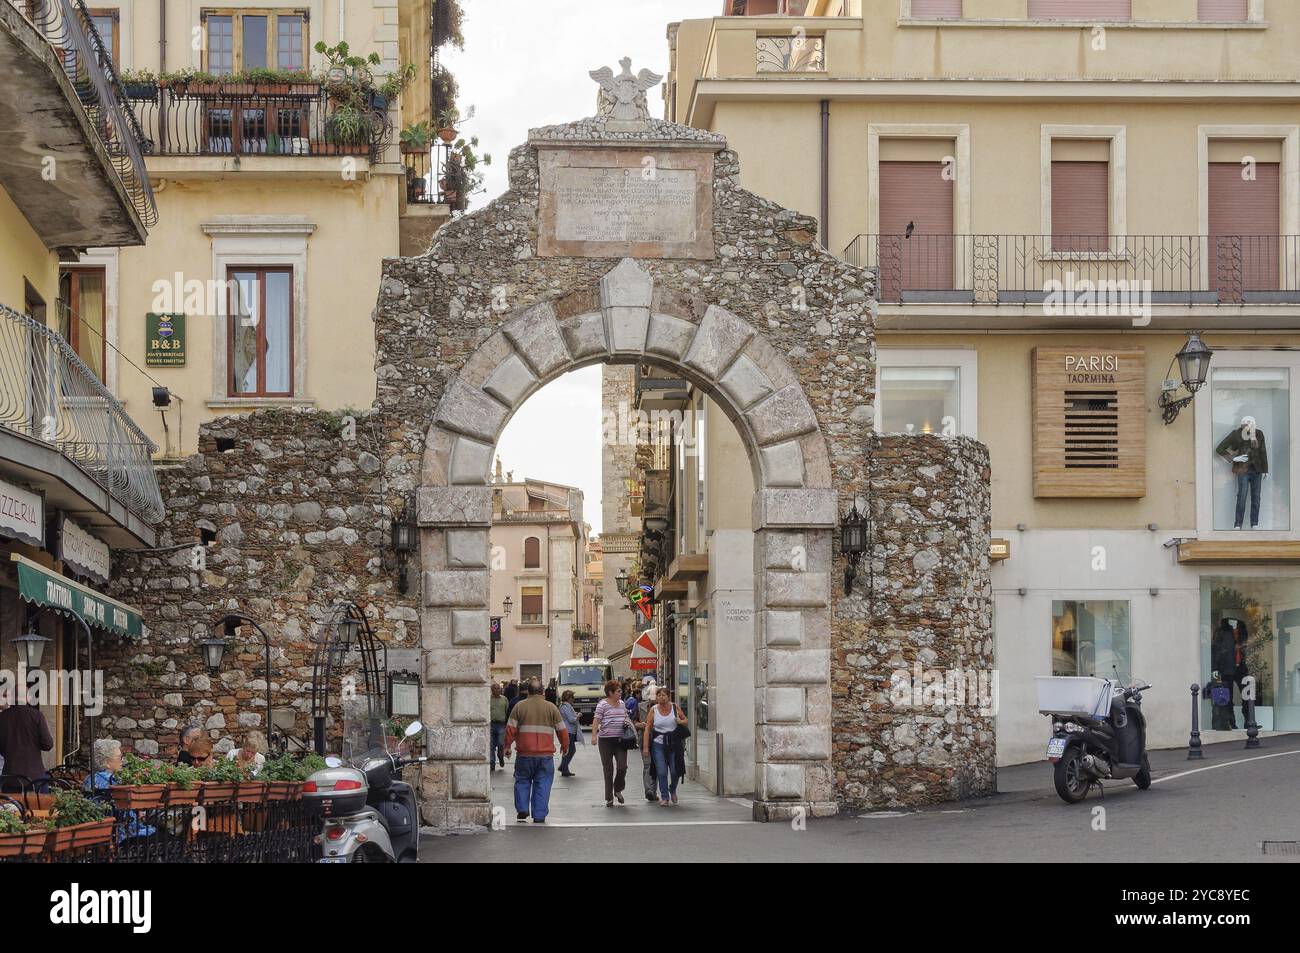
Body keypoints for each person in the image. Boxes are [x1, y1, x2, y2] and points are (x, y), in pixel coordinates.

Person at [503, 677, 568, 823]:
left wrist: (507, 747)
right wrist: (565, 746)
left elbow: (510, 729)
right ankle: (539, 815)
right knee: (543, 784)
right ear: (542, 692)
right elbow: (562, 730)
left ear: (527, 692)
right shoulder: (551, 707)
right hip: (545, 755)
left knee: (522, 780)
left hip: (524, 753)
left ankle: (522, 809)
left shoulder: (519, 707)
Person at [0, 686, 53, 792]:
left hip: (10, 776)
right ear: (28, 697)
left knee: (12, 808)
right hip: (34, 777)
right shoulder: (36, 715)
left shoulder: (2, 717)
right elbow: (48, 745)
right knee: (40, 806)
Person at [642, 687, 688, 806]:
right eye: (659, 695)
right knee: (661, 771)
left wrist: (680, 721)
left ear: (668, 696)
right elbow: (647, 728)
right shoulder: (653, 710)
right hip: (658, 744)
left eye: (664, 695)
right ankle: (664, 797)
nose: (661, 697)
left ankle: (672, 789)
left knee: (674, 771)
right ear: (656, 697)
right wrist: (646, 747)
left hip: (673, 743)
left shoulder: (674, 707)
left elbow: (686, 721)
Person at [592, 680, 634, 808]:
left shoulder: (622, 704)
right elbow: (596, 720)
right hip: (606, 741)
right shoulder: (602, 705)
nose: (621, 693)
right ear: (610, 693)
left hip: (620, 740)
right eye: (618, 691)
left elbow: (625, 717)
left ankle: (618, 789)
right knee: (608, 769)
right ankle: (609, 798)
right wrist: (594, 736)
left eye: (620, 691)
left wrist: (628, 723)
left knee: (622, 767)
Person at [558, 690, 584, 777]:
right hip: (568, 731)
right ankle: (563, 766)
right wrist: (578, 716)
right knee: (570, 750)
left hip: (568, 730)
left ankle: (564, 769)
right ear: (568, 698)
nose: (573, 699)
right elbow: (571, 719)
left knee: (568, 749)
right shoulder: (566, 706)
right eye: (572, 697)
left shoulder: (565, 706)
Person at [489, 683, 509, 770]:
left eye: (498, 689)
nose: (497, 690)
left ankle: (500, 757)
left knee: (501, 744)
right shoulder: (488, 699)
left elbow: (507, 711)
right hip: (491, 725)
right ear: (492, 690)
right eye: (495, 689)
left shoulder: (504, 699)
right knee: (491, 745)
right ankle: (492, 763)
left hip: (501, 725)